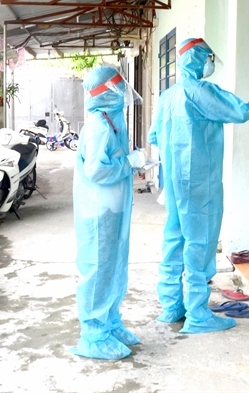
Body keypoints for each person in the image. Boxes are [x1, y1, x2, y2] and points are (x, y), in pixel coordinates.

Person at [148, 38, 249, 333]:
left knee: (174, 242)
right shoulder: (201, 91)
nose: (211, 62)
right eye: (209, 57)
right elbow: (241, 111)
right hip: (200, 183)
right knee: (199, 243)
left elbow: (155, 137)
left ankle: (171, 307)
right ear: (198, 59)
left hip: (175, 183)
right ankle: (197, 315)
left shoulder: (168, 95)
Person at [71, 66, 147, 360]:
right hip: (99, 211)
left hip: (112, 208)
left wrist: (131, 163)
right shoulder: (99, 126)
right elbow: (96, 170)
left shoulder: (110, 120)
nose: (123, 95)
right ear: (106, 94)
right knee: (99, 270)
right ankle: (93, 335)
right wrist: (129, 163)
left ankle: (110, 323)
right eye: (118, 89)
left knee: (114, 267)